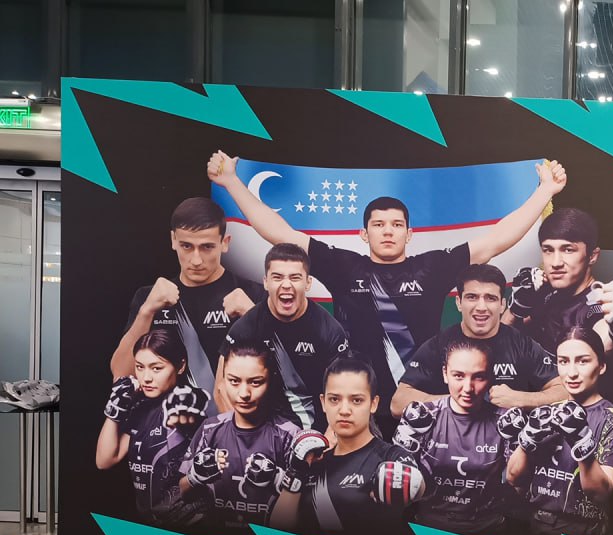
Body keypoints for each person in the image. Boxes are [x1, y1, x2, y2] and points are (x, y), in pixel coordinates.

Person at [207, 151, 567, 437]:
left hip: (423, 406)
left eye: (396, 225)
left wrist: (545, 192)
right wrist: (231, 182)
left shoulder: (432, 267)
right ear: (364, 234)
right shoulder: (343, 266)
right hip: (359, 410)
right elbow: (279, 233)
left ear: (409, 233)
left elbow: (496, 240)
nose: (388, 231)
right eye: (378, 225)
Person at [111, 198, 264, 394]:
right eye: (187, 246)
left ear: (224, 243)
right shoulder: (148, 298)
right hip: (167, 413)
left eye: (207, 247)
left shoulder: (252, 294)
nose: (196, 260)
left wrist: (252, 316)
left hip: (229, 413)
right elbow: (122, 375)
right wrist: (146, 311)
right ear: (173, 240)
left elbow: (283, 377)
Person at [503, 327, 613, 535]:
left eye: (582, 361)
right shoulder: (544, 414)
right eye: (563, 361)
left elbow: (600, 494)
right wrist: (527, 439)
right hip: (533, 528)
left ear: (601, 366)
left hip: (583, 534)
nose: (571, 372)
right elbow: (513, 478)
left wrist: (582, 440)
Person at [270, 356, 424, 535]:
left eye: (356, 400)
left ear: (373, 404)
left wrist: (410, 483)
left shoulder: (391, 457)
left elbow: (417, 486)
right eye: (334, 399)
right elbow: (278, 531)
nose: (344, 410)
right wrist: (296, 471)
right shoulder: (313, 463)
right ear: (323, 403)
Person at [504, 208, 613, 401]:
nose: (556, 262)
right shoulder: (546, 294)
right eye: (548, 250)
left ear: (592, 256)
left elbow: (603, 344)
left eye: (568, 249)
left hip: (580, 417)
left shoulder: (599, 305)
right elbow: (499, 342)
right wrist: (517, 308)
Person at [392, 264, 564, 417]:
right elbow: (398, 404)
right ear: (459, 302)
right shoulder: (437, 346)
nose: (481, 307)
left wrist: (520, 399)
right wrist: (456, 402)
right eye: (472, 297)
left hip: (508, 442)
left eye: (490, 298)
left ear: (502, 305)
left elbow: (564, 392)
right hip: (451, 442)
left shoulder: (522, 344)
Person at [393, 339, 520, 535]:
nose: (468, 388)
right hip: (429, 531)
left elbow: (519, 484)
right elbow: (398, 485)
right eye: (458, 376)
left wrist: (527, 442)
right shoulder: (421, 418)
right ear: (445, 374)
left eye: (478, 377)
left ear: (490, 377)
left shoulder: (507, 422)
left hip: (488, 533)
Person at [219, 243, 349, 429]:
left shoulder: (329, 331)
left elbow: (343, 393)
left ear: (308, 283)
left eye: (295, 278)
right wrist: (242, 435)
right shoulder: (245, 328)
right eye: (277, 277)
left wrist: (329, 437)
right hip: (262, 431)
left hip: (317, 432)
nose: (286, 285)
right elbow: (222, 388)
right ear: (266, 282)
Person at [178, 344, 302, 530]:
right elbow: (183, 493)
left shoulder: (289, 435)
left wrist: (279, 479)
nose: (244, 394)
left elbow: (305, 511)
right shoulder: (209, 429)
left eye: (255, 382)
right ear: (223, 381)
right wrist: (195, 476)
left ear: (270, 381)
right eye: (234, 381)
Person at [95, 330, 211, 527]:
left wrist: (188, 408)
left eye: (156, 368)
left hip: (191, 525)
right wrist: (114, 409)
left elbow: (190, 409)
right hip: (149, 524)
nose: (146, 377)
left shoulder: (187, 402)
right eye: (140, 367)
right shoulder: (139, 407)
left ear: (180, 366)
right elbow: (104, 460)